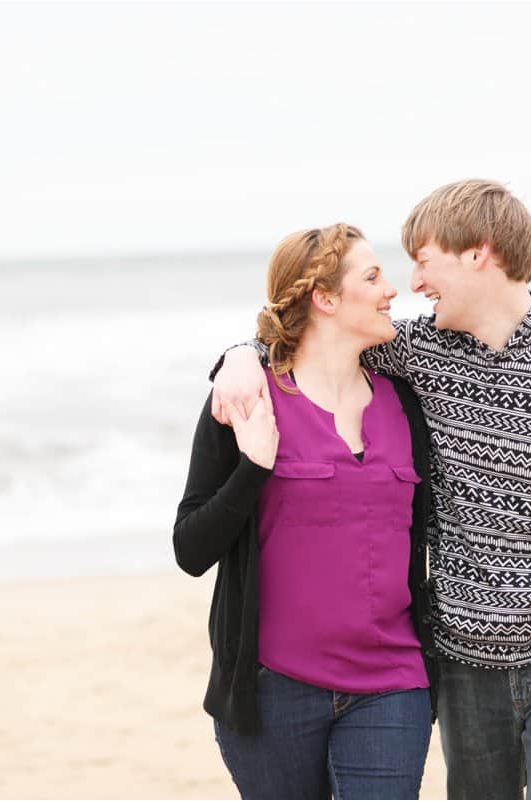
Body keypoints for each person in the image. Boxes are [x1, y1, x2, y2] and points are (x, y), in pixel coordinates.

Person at [212, 180, 531, 800]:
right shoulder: (418, 354)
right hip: (463, 660)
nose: (414, 283)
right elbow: (315, 333)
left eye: (424, 261)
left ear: (477, 254)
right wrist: (239, 355)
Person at [173, 223, 439, 800]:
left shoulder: (405, 401)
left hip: (392, 682)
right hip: (273, 692)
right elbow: (191, 549)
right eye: (372, 277)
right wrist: (253, 468)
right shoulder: (247, 398)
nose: (392, 289)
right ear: (324, 298)